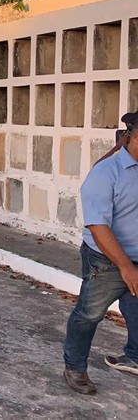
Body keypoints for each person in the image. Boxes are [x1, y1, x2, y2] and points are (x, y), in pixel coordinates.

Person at [62, 111, 138, 394]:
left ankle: (135, 356)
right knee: (89, 314)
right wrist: (126, 267)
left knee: (136, 309)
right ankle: (75, 367)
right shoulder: (105, 173)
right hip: (105, 261)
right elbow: (98, 226)